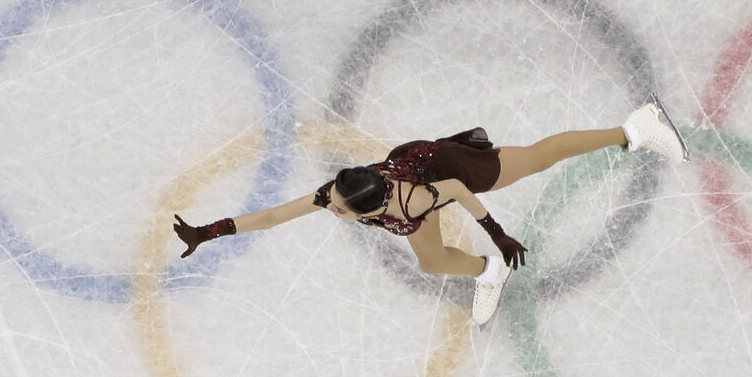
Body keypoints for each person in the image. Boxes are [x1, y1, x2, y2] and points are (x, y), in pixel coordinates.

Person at [173, 97, 689, 325]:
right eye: (333, 198)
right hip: (409, 176)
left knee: (537, 158)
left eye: (338, 207)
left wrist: (497, 232)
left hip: (445, 168)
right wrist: (206, 232)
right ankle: (491, 273)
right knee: (433, 262)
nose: (328, 205)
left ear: (370, 210)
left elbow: (459, 192)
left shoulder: (415, 200)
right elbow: (271, 217)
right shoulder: (340, 192)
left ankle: (637, 127)